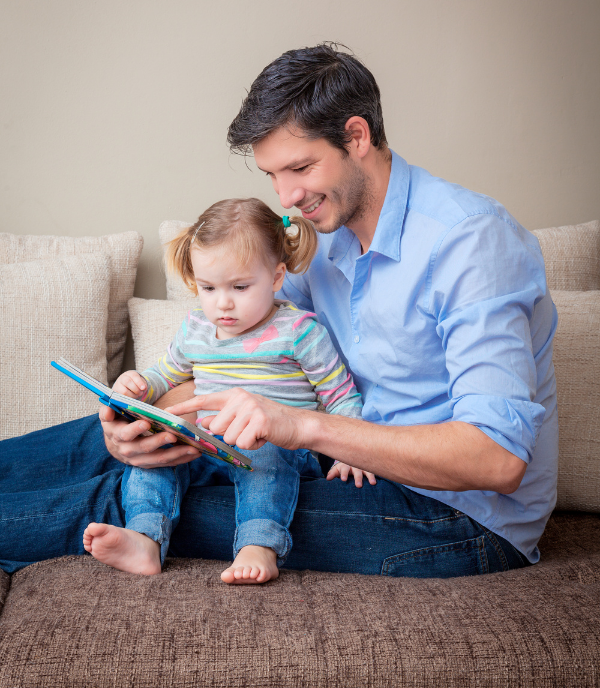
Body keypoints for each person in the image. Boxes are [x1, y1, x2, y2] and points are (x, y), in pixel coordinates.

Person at [0, 43, 558, 578]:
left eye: (299, 168)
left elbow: (497, 461)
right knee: (112, 450)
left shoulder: (471, 242)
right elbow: (240, 353)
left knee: (122, 501)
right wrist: (150, 422)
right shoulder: (318, 241)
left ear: (356, 136)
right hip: (342, 468)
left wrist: (301, 425)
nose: (286, 197)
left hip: (458, 518)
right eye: (272, 175)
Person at [82, 197, 368, 584]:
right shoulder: (195, 328)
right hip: (207, 443)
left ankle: (259, 545)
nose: (223, 303)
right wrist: (138, 385)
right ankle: (145, 538)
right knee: (155, 458)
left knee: (264, 455)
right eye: (208, 288)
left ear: (277, 276)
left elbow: (340, 396)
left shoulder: (300, 331)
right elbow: (166, 374)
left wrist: (354, 450)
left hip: (275, 447)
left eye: (240, 286)